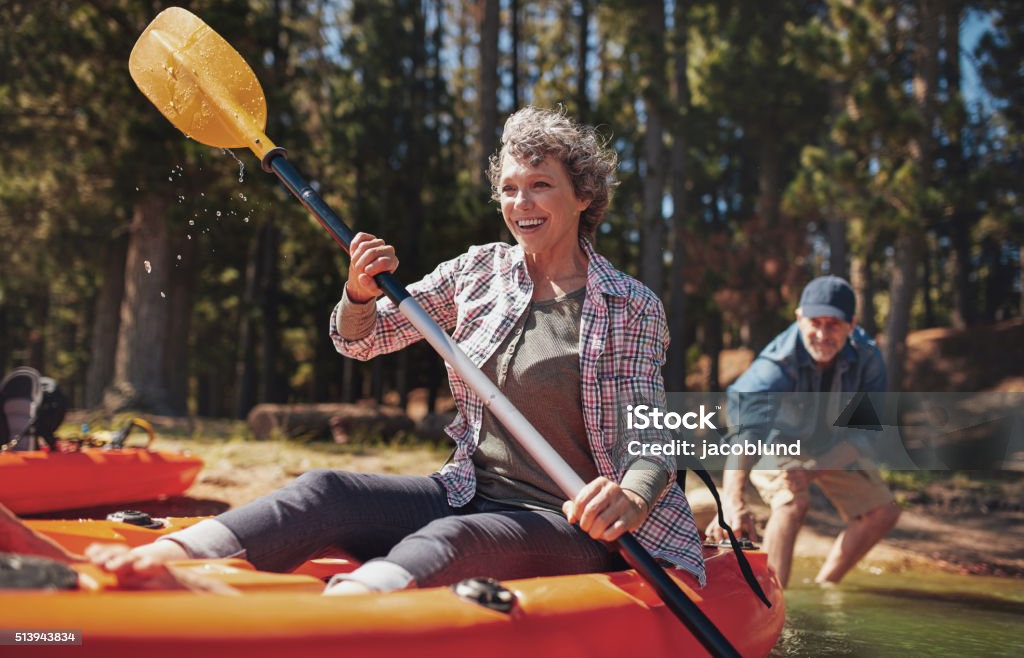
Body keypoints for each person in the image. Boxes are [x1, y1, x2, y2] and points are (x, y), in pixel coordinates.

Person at [62, 106, 704, 593]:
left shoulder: (627, 304)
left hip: (572, 523)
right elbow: (363, 341)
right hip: (468, 490)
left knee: (454, 539)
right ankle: (163, 561)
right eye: (509, 188)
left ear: (584, 195)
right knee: (324, 490)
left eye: (539, 185)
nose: (519, 203)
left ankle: (345, 614)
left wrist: (634, 497)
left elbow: (648, 438)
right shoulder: (480, 272)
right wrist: (360, 292)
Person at [705, 276, 901, 587]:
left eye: (833, 324)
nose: (823, 334)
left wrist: (811, 471)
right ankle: (771, 597)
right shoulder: (777, 363)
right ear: (799, 319)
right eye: (815, 322)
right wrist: (733, 502)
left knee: (883, 511)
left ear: (851, 324)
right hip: (775, 439)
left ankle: (825, 587)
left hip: (831, 445)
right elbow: (748, 433)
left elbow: (863, 434)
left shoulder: (869, 357)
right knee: (791, 499)